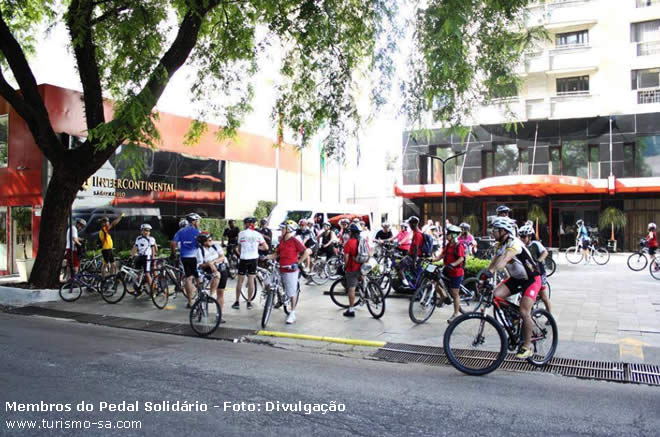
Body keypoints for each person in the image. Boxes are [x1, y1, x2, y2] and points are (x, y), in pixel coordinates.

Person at [485, 217, 542, 359]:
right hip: (516, 279)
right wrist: (485, 276)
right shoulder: (500, 244)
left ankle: (527, 346)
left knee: (524, 311)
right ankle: (513, 317)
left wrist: (493, 271)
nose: (493, 232)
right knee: (496, 295)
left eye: (495, 230)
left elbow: (503, 260)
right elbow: (494, 263)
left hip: (531, 279)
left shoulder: (514, 243)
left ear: (503, 231)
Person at [276, 222, 307, 324]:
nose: (281, 230)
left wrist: (298, 263)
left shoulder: (294, 240)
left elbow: (306, 252)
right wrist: (266, 257)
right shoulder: (281, 241)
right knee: (268, 282)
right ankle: (279, 299)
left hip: (291, 270)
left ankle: (292, 313)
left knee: (291, 292)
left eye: (283, 229)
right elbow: (276, 253)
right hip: (280, 268)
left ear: (288, 230)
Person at [233, 217, 267, 310]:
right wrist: (256, 247)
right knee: (251, 280)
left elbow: (239, 249)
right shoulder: (258, 234)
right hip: (253, 259)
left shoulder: (241, 234)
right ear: (253, 224)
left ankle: (237, 302)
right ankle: (249, 302)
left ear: (245, 224)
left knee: (240, 281)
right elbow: (265, 247)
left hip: (244, 258)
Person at [434, 224, 465, 323]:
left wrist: (453, 264)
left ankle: (456, 313)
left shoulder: (459, 246)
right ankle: (443, 296)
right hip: (447, 270)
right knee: (435, 283)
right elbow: (442, 255)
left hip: (456, 272)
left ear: (454, 235)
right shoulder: (448, 245)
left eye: (449, 234)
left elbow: (461, 258)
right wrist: (432, 260)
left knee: (454, 293)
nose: (447, 235)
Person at [519, 225, 552, 314]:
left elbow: (545, 252)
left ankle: (549, 314)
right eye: (520, 236)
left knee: (544, 296)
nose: (522, 239)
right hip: (528, 274)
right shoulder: (521, 246)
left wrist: (538, 260)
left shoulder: (535, 244)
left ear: (529, 236)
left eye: (524, 237)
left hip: (539, 272)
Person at [195, 232, 228, 323]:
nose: (211, 241)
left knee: (221, 292)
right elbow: (200, 265)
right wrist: (209, 264)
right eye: (208, 240)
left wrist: (213, 262)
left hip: (221, 267)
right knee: (216, 275)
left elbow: (222, 257)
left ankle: (219, 315)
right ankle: (211, 296)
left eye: (211, 239)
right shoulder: (200, 250)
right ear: (203, 242)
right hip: (209, 270)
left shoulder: (216, 246)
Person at [171, 213, 201, 308]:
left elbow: (173, 243)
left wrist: (173, 254)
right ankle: (201, 297)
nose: (199, 223)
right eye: (198, 221)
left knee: (188, 278)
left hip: (184, 257)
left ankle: (190, 302)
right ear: (194, 221)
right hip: (196, 257)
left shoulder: (181, 231)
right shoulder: (197, 232)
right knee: (197, 276)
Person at [342, 223, 363, 318]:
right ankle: (368, 292)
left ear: (351, 232)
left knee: (351, 288)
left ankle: (351, 309)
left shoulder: (349, 242)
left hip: (352, 268)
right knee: (362, 279)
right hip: (363, 266)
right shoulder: (362, 240)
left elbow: (346, 257)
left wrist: (345, 266)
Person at [131, 223, 158, 288]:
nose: (147, 232)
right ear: (142, 231)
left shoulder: (151, 239)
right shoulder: (138, 238)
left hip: (147, 257)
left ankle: (153, 289)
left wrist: (153, 258)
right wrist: (132, 255)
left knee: (147, 273)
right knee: (138, 272)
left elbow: (153, 249)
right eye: (145, 230)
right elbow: (135, 247)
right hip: (140, 256)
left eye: (148, 231)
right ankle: (139, 286)